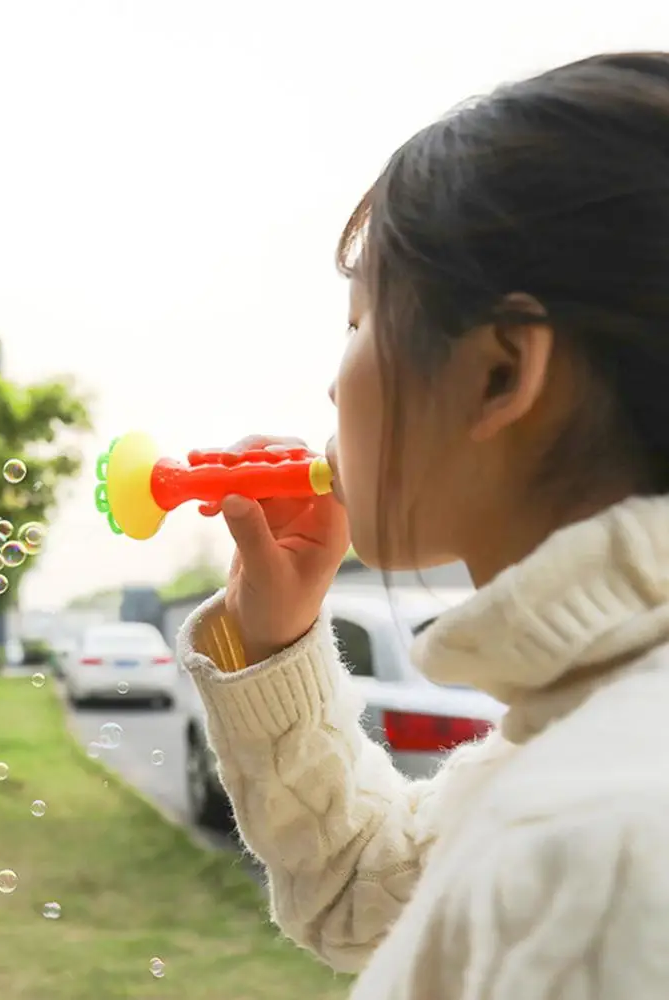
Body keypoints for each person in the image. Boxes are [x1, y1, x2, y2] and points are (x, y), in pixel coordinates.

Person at [178, 51, 669, 998]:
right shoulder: (581, 736)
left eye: (361, 323)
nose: (333, 382)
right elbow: (372, 892)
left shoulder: (603, 848)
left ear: (498, 373)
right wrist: (276, 643)